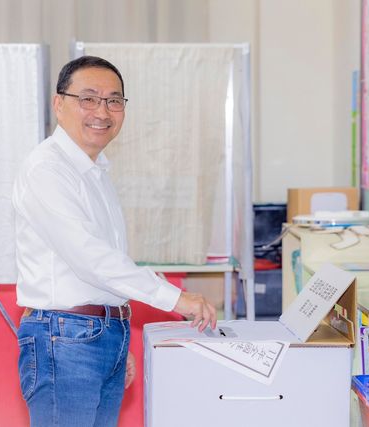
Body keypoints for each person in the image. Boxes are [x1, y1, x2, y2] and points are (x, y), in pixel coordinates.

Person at [12, 55, 217, 427]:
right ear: (59, 104)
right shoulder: (48, 169)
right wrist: (175, 298)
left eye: (114, 101)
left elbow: (108, 264)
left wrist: (114, 335)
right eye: (88, 98)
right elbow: (90, 259)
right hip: (65, 338)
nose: (102, 112)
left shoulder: (95, 171)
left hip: (94, 336)